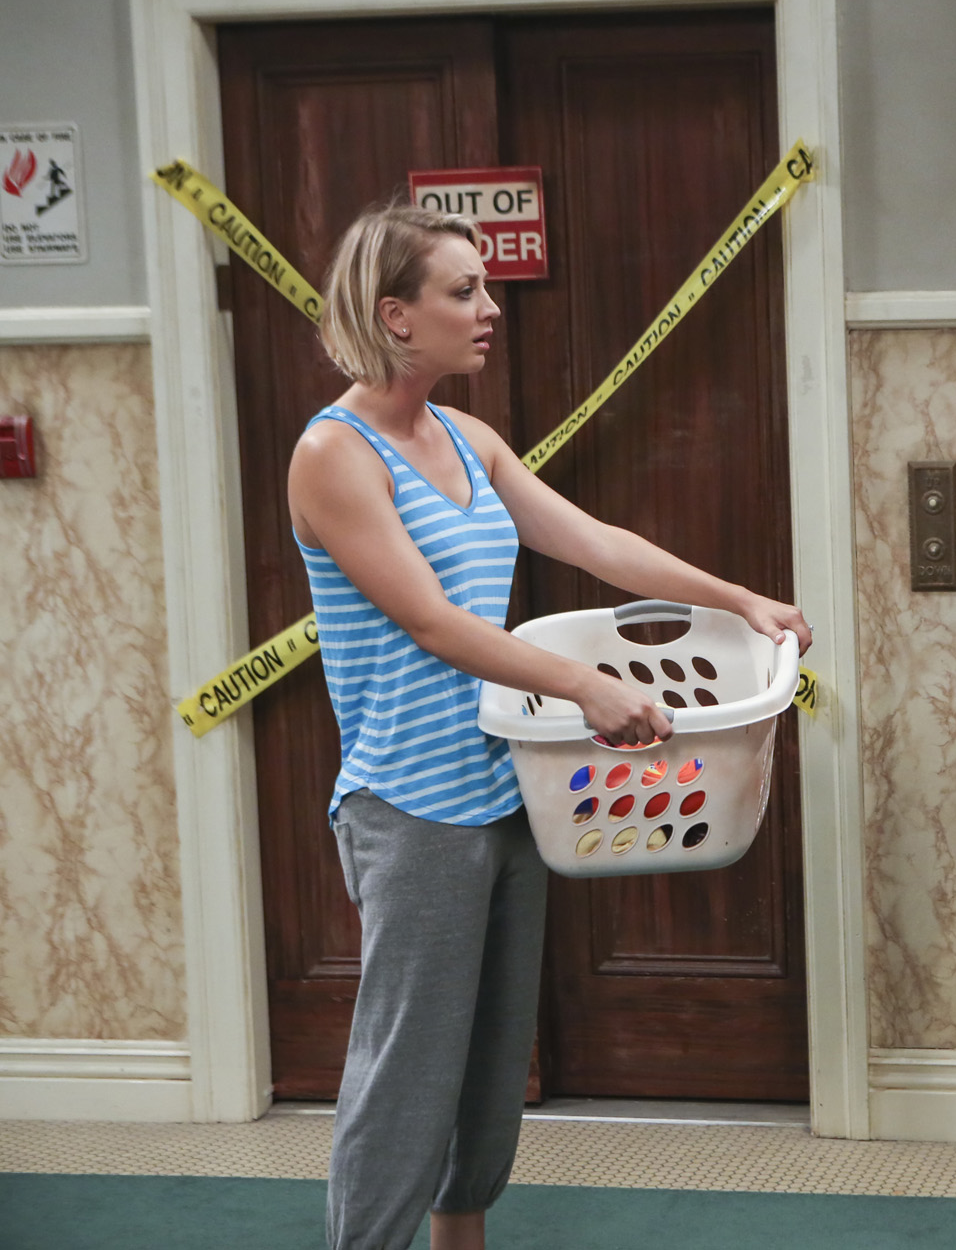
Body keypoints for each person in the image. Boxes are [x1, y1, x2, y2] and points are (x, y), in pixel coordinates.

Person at [290, 204, 810, 1250]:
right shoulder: (333, 455)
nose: (490, 308)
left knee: (489, 1062)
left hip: (508, 789)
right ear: (395, 316)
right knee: (408, 1064)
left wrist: (740, 598)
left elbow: (597, 542)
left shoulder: (466, 438)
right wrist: (584, 686)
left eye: (484, 287)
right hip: (411, 806)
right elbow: (433, 623)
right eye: (463, 291)